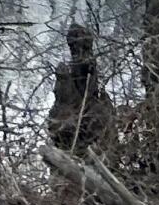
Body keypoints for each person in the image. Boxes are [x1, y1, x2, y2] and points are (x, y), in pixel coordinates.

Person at [49, 23, 115, 158]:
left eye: (82, 46)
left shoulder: (88, 67)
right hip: (72, 133)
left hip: (86, 127)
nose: (77, 51)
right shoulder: (67, 80)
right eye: (74, 46)